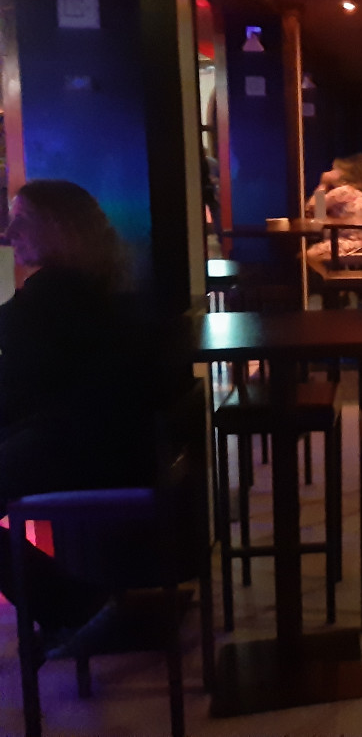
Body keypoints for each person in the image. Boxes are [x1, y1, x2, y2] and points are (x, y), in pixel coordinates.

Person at [0, 181, 184, 643]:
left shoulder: (50, 297)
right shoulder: (101, 286)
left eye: (22, 221)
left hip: (83, 453)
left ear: (58, 228)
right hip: (121, 445)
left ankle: (71, 606)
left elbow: (16, 390)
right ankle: (72, 603)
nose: (9, 232)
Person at [305, 154, 362, 268]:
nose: (329, 172)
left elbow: (314, 208)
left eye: (333, 169)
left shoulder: (343, 192)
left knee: (308, 255)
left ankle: (328, 278)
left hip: (347, 244)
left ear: (343, 174)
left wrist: (323, 184)